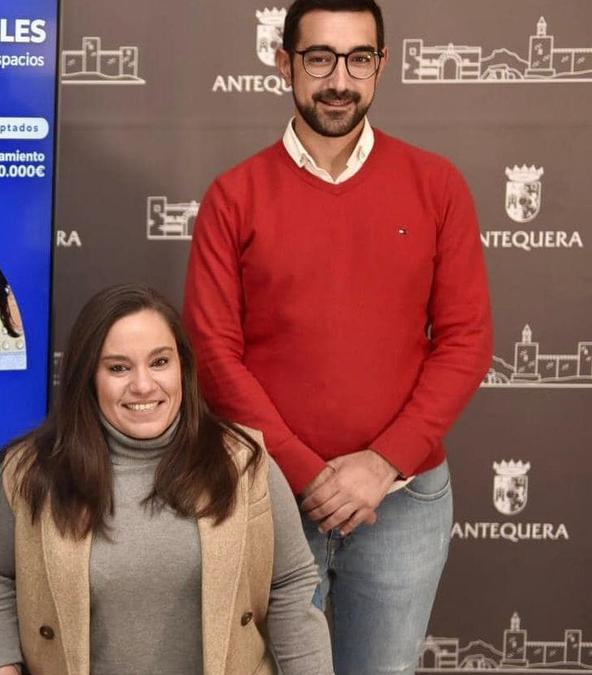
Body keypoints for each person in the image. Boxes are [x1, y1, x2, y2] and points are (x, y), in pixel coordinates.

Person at [183, 1, 493, 672]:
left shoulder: (437, 185)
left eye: (358, 59)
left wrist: (381, 464)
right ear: (284, 62)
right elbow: (213, 353)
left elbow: (467, 340)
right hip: (269, 499)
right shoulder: (234, 196)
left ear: (381, 65)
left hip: (403, 505)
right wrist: (307, 472)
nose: (338, 80)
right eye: (319, 57)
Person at [0, 284, 332, 675]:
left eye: (159, 362)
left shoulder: (244, 463)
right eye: (118, 367)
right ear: (89, 377)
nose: (143, 385)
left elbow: (291, 583)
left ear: (183, 367)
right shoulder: (30, 470)